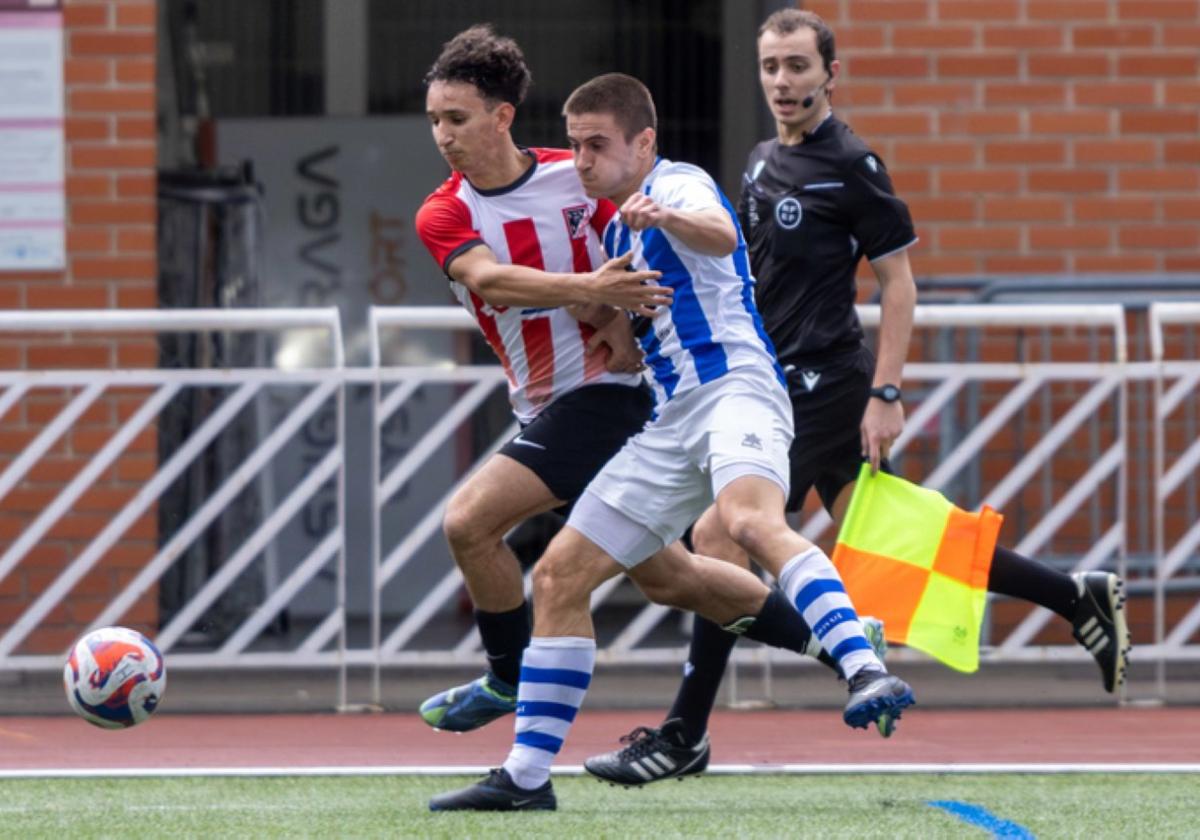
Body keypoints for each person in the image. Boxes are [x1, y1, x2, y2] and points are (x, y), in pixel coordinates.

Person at [582, 7, 1132, 788]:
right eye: (771, 67)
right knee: (882, 530)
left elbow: (898, 284)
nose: (783, 82)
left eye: (798, 67)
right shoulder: (761, 157)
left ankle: (684, 734)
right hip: (772, 374)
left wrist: (888, 391)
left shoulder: (853, 162)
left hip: (823, 380)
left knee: (720, 536)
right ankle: (1073, 594)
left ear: (829, 75)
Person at [429, 72, 915, 813]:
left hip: (735, 392)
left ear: (643, 143)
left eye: (597, 145)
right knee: (564, 576)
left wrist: (671, 217)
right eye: (575, 144)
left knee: (749, 521)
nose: (582, 160)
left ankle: (862, 668)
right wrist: (612, 319)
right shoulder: (608, 223)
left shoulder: (676, 183)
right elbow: (610, 313)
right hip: (666, 419)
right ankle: (526, 779)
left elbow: (720, 233)